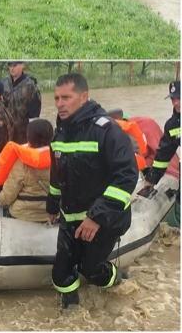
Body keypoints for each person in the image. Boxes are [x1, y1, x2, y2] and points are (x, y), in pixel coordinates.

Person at [47, 74, 136, 309]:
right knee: (60, 273)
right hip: (71, 217)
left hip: (105, 218)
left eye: (66, 97)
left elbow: (126, 177)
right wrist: (52, 206)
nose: (59, 103)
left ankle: (119, 280)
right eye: (56, 98)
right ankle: (72, 315)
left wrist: (96, 217)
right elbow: (57, 175)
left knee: (91, 270)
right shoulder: (60, 133)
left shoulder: (107, 131)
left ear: (84, 97)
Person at [0, 119, 54, 222]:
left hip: (22, 215)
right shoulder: (59, 160)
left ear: (28, 138)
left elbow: (8, 196)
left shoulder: (22, 163)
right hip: (50, 215)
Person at [145, 80, 181, 226]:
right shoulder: (172, 125)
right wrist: (151, 179)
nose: (176, 103)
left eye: (180, 97)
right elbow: (162, 156)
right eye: (173, 99)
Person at [3, 62, 42, 143]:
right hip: (6, 131)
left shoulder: (30, 85)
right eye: (10, 66)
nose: (12, 68)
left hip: (23, 132)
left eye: (15, 65)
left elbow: (34, 113)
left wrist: (32, 133)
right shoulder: (4, 83)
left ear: (23, 65)